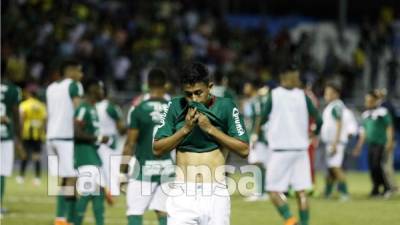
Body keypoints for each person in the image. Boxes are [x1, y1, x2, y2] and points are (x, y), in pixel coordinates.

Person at [153, 62, 249, 225]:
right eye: (188, 94)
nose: (193, 99)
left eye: (198, 93)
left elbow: (244, 149)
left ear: (210, 86)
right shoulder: (173, 106)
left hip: (215, 193)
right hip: (183, 193)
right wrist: (185, 129)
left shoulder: (226, 107)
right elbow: (157, 149)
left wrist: (210, 129)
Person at [260, 64, 322, 225]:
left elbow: (262, 118)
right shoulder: (303, 96)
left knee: (273, 190)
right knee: (301, 192)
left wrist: (259, 133)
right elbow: (319, 119)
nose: (298, 79)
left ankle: (290, 220)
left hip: (280, 150)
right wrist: (314, 133)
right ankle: (304, 223)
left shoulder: (274, 95)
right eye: (296, 76)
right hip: (301, 150)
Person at [120, 68, 174, 225]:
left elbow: (130, 144)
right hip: (167, 168)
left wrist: (121, 172)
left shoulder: (138, 109)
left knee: (134, 212)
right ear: (166, 85)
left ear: (147, 84)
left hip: (144, 168)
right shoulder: (175, 109)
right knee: (164, 211)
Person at [46, 59, 84, 225]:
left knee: (63, 178)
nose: (81, 75)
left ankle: (60, 217)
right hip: (66, 137)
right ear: (71, 71)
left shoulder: (51, 87)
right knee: (72, 178)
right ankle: (71, 218)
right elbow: (79, 110)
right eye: (79, 71)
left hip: (51, 137)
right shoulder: (73, 85)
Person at [73, 79, 110, 225]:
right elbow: (76, 132)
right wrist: (98, 137)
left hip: (94, 155)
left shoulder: (93, 108)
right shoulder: (83, 108)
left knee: (99, 192)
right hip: (84, 155)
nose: (103, 93)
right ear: (94, 91)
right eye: (100, 90)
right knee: (88, 191)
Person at [353, 91, 395, 198]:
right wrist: (358, 146)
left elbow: (389, 127)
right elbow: (364, 133)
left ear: (375, 101)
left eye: (370, 100)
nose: (367, 103)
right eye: (366, 100)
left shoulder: (382, 112)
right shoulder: (366, 114)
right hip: (370, 144)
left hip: (381, 143)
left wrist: (390, 141)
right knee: (372, 166)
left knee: (378, 165)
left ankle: (386, 187)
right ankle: (376, 188)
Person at [320, 83, 349, 200]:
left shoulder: (336, 106)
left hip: (335, 142)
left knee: (335, 167)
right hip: (331, 142)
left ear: (336, 94)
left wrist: (335, 143)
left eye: (329, 93)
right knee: (330, 169)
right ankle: (328, 193)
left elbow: (339, 124)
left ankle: (344, 193)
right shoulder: (332, 106)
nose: (326, 95)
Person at [96, 84, 126, 198]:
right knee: (112, 168)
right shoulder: (110, 107)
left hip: (97, 141)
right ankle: (112, 192)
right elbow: (121, 128)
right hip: (110, 142)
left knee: (100, 170)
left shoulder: (92, 106)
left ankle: (103, 190)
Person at [0, 71, 23, 217]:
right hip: (5, 134)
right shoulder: (14, 90)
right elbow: (16, 113)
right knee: (1, 171)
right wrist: (19, 138)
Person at [243, 80, 269, 201]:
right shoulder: (250, 101)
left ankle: (261, 192)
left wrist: (255, 134)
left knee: (257, 163)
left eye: (247, 86)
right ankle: (260, 191)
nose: (244, 88)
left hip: (258, 137)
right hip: (252, 135)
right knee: (256, 163)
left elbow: (259, 117)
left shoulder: (257, 101)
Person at [17, 84, 47, 186]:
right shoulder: (41, 105)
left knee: (24, 155)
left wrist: (19, 134)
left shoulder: (24, 104)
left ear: (29, 93)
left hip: (26, 133)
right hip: (38, 135)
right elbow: (44, 121)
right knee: (37, 157)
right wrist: (44, 133)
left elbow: (21, 120)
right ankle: (37, 178)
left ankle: (21, 177)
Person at [375, 89, 398, 193]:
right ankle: (388, 187)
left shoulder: (386, 106)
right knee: (383, 165)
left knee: (386, 165)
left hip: (388, 140)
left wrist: (390, 140)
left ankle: (392, 187)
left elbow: (391, 125)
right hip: (382, 140)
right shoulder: (381, 106)